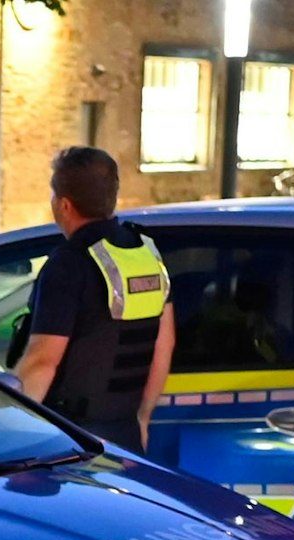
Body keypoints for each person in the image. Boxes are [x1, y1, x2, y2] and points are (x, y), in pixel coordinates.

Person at [12, 146, 176, 451]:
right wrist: (141, 418)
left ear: (64, 205)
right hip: (124, 432)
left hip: (69, 437)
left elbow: (42, 362)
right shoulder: (146, 254)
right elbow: (163, 345)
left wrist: (12, 429)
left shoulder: (69, 264)